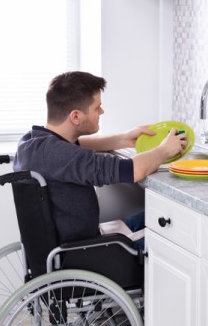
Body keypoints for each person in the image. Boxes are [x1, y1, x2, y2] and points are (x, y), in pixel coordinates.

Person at [13, 71, 186, 248]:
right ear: (76, 117)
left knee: (150, 217)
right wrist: (164, 149)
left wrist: (123, 139)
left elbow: (80, 144)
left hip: (68, 244)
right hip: (87, 252)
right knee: (177, 234)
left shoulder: (31, 143)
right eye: (97, 108)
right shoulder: (62, 155)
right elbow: (134, 170)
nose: (101, 111)